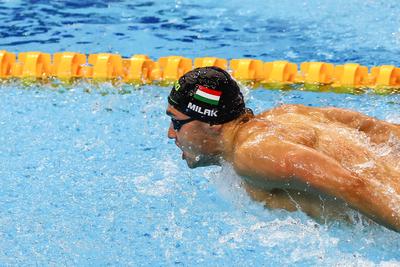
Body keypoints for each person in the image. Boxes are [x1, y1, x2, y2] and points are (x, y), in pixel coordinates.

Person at [166, 66, 400, 232]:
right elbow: (374, 129)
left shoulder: (252, 154)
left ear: (212, 122)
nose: (171, 133)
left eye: (177, 123)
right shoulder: (287, 114)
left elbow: (350, 184)